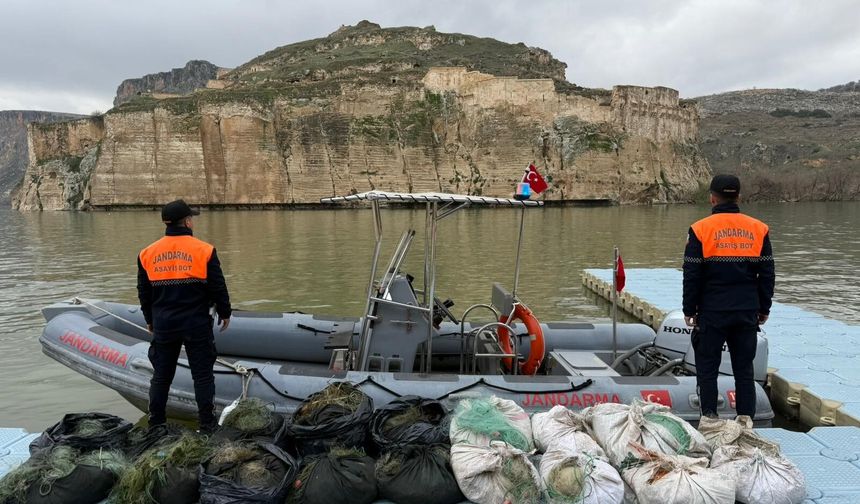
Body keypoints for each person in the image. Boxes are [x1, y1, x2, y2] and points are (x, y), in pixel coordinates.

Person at [683, 174, 775, 419]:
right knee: (744, 370)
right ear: (739, 197)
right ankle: (745, 422)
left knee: (707, 370)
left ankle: (710, 420)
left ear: (712, 198)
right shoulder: (759, 229)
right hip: (746, 310)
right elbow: (767, 274)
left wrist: (689, 309)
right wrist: (764, 308)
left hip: (712, 311)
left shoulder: (700, 229)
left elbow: (692, 274)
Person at [137, 199, 231, 432]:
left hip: (164, 323)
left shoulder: (147, 253)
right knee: (202, 376)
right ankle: (207, 425)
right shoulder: (205, 250)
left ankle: (156, 423)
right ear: (187, 222)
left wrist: (149, 319)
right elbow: (218, 286)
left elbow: (144, 292)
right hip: (195, 323)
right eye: (191, 218)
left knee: (161, 376)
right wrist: (225, 312)